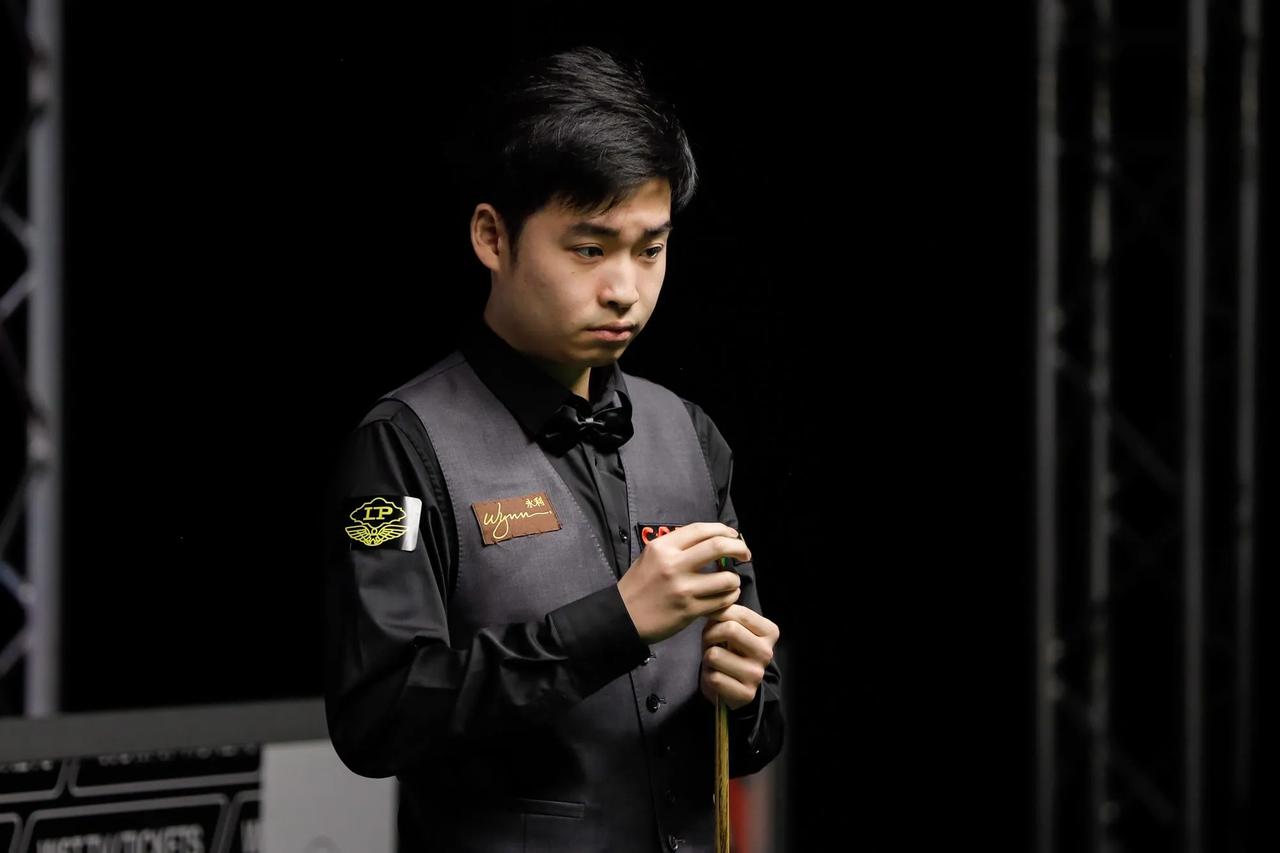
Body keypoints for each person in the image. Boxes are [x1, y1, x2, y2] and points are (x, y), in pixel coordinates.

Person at [323, 45, 783, 853]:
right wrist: (614, 623)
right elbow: (380, 714)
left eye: (650, 248)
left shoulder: (690, 434)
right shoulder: (400, 447)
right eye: (588, 248)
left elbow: (756, 730)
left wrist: (746, 696)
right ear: (492, 237)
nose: (624, 289)